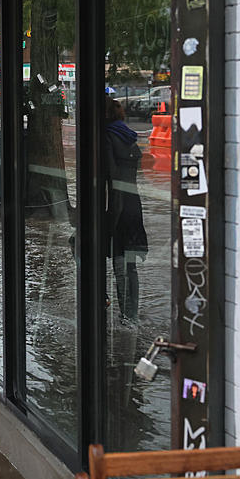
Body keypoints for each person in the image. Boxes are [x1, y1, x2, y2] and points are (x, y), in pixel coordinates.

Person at [105, 96, 148, 322]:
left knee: (115, 262)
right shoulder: (129, 137)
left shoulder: (106, 138)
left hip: (114, 205)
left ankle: (122, 313)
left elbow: (110, 176)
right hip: (133, 204)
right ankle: (131, 314)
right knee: (128, 264)